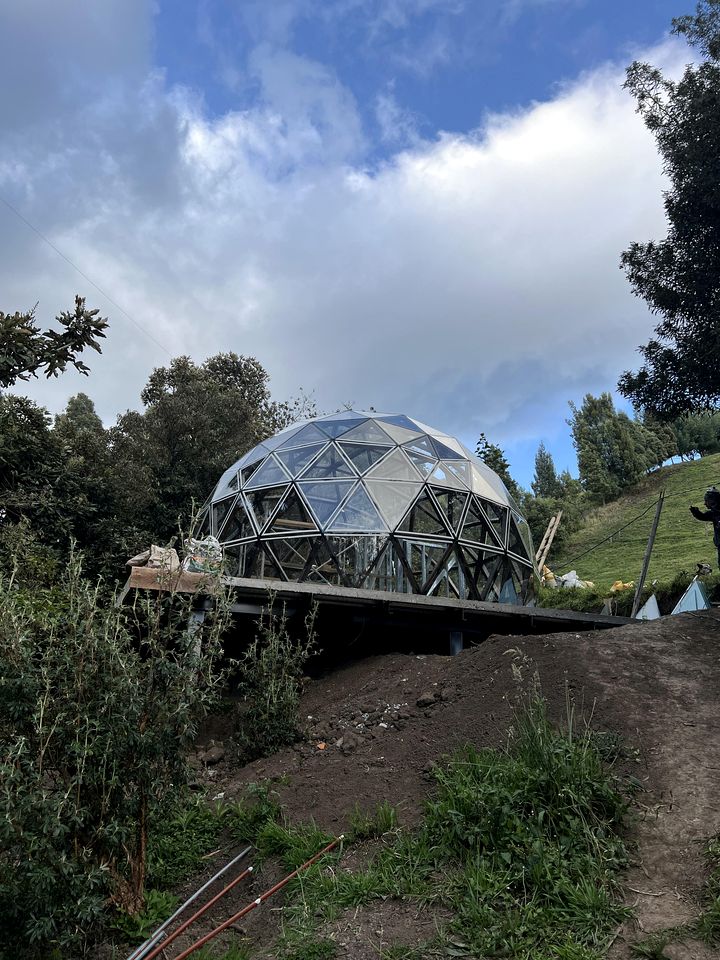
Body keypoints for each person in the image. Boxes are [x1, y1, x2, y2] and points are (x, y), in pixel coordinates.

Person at [690, 486, 720, 568]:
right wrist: (695, 512)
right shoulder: (714, 514)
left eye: (706, 501)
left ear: (712, 501)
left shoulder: (716, 514)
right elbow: (703, 517)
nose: (705, 504)